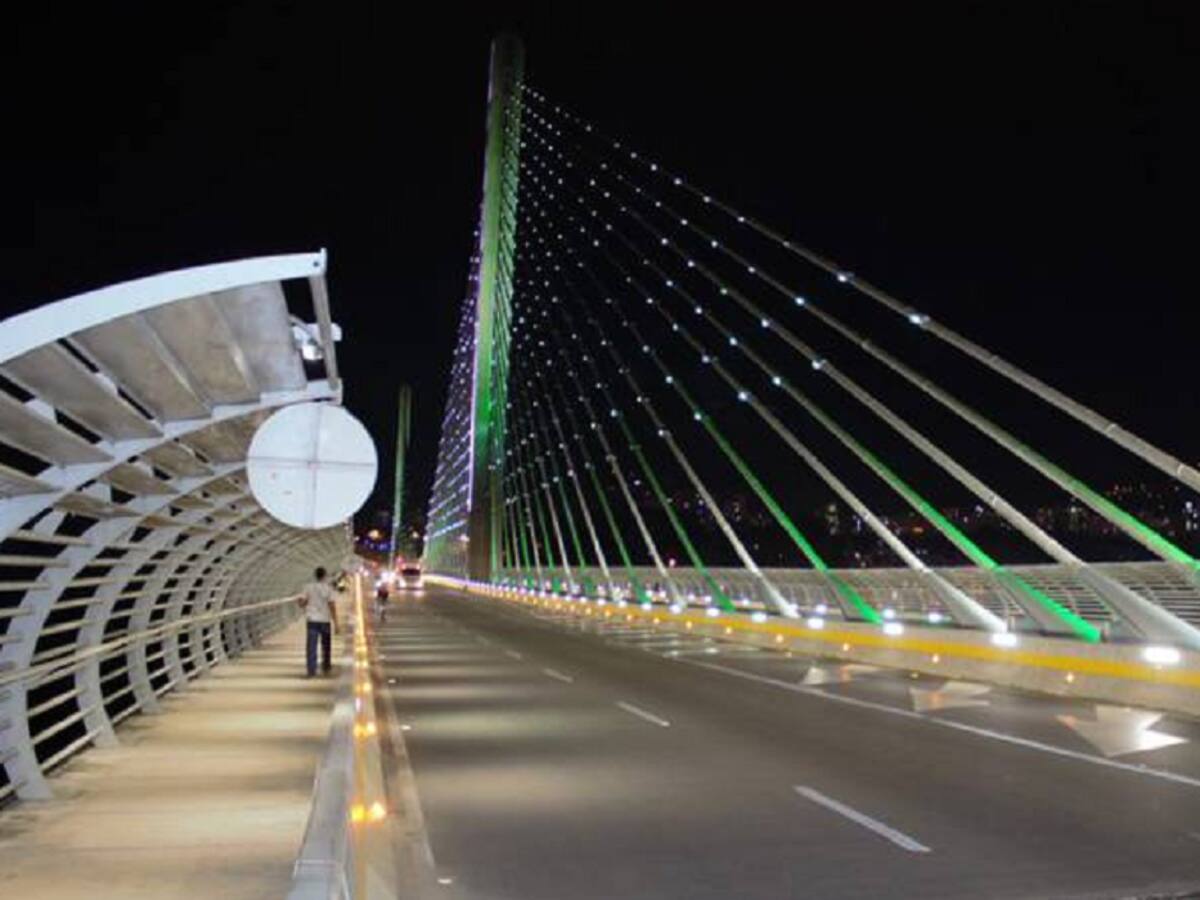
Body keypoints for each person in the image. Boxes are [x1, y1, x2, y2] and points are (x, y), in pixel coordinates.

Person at [298, 566, 339, 676]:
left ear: (315, 575)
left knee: (311, 646)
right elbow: (332, 605)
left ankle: (311, 670)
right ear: (325, 576)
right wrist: (336, 623)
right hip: (325, 620)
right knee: (326, 645)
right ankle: (326, 665)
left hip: (312, 620)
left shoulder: (308, 587)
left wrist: (302, 602)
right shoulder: (328, 588)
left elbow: (302, 603)